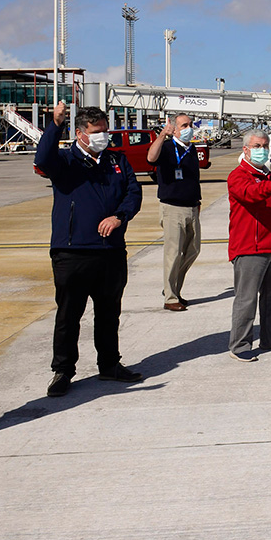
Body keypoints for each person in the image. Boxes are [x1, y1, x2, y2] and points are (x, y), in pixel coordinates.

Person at [35, 102, 144, 397]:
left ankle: (109, 364)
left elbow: (133, 193)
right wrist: (55, 125)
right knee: (69, 315)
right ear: (80, 133)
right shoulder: (65, 161)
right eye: (97, 132)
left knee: (109, 313)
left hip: (111, 250)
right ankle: (63, 371)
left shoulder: (116, 160)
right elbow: (42, 159)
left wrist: (119, 217)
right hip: (73, 251)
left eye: (105, 130)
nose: (103, 136)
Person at [227, 131, 271, 360]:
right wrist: (270, 188)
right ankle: (240, 346)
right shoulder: (238, 176)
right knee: (246, 299)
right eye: (257, 146)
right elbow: (248, 194)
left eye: (265, 146)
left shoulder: (269, 177)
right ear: (246, 150)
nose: (262, 150)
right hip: (250, 248)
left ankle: (270, 337)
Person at [147, 113, 202, 312]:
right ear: (175, 129)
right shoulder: (167, 147)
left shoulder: (191, 149)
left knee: (193, 249)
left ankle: (173, 288)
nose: (189, 129)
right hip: (173, 208)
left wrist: (197, 202)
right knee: (173, 253)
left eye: (190, 125)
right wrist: (162, 135)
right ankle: (170, 297)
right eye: (184, 125)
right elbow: (151, 158)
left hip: (192, 206)